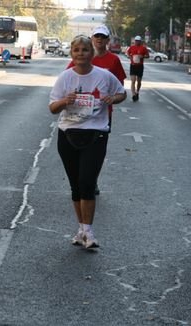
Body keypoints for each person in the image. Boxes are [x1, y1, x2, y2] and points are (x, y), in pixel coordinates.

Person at [49, 35, 126, 249]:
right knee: (76, 186)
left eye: (85, 50)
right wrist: (65, 101)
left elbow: (122, 93)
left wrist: (113, 99)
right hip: (68, 135)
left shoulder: (105, 76)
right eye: (77, 50)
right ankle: (81, 229)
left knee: (87, 182)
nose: (81, 54)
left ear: (91, 53)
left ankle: (89, 231)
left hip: (95, 134)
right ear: (71, 54)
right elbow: (52, 108)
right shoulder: (65, 78)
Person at [67, 25, 126, 195]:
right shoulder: (82, 57)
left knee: (96, 152)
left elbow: (120, 88)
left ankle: (91, 180)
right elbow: (67, 79)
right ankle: (82, 180)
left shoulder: (113, 60)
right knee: (77, 150)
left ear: (108, 40)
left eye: (103, 37)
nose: (99, 39)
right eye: (96, 36)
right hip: (78, 113)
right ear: (92, 39)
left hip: (102, 115)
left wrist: (112, 98)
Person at [126, 35, 149, 102]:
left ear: (140, 41)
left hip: (140, 66)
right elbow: (127, 53)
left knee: (139, 81)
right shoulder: (132, 47)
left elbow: (147, 55)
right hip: (133, 66)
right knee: (133, 81)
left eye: (138, 41)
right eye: (136, 41)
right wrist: (130, 57)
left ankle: (137, 91)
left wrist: (142, 56)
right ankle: (133, 94)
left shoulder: (143, 48)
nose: (137, 42)